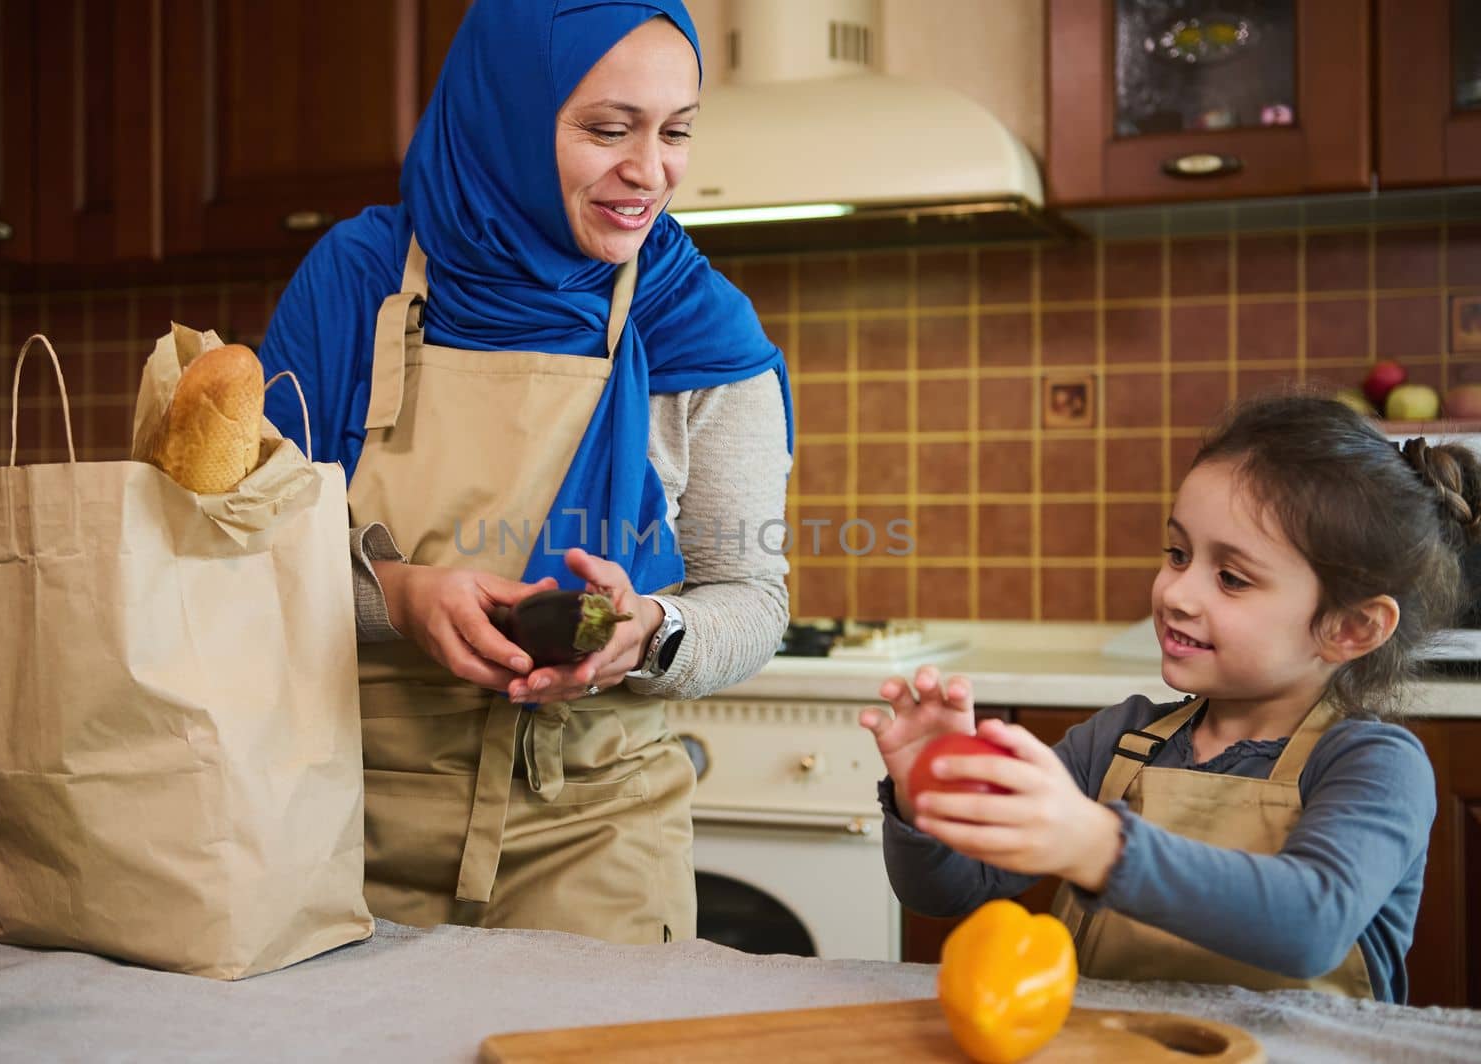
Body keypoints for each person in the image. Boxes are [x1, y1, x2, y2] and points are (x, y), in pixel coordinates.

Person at [257, 0, 792, 945]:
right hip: (334, 824)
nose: (648, 171)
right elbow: (243, 556)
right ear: (504, 111)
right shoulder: (357, 279)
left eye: (675, 133)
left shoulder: (700, 322)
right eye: (605, 129)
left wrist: (652, 632)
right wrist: (402, 596)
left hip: (596, 831)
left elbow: (751, 596)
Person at [862, 394, 1480, 1002]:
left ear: (1351, 628)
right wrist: (930, 803)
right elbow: (945, 893)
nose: (1177, 593)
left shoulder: (1374, 764)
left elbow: (1309, 925)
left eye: (1231, 578)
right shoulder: (1115, 743)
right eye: (1178, 554)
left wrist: (1098, 845)